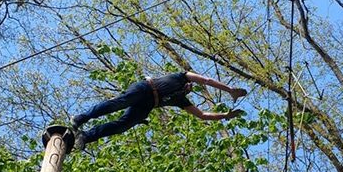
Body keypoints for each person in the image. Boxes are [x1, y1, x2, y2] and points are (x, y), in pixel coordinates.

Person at [70, 71, 247, 150]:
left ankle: (86, 136)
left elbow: (202, 115)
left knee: (123, 125)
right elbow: (207, 80)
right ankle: (81, 117)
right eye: (191, 84)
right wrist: (230, 90)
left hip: (147, 105)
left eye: (191, 89)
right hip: (145, 88)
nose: (190, 87)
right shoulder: (181, 77)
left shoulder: (181, 100)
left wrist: (226, 115)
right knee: (118, 103)